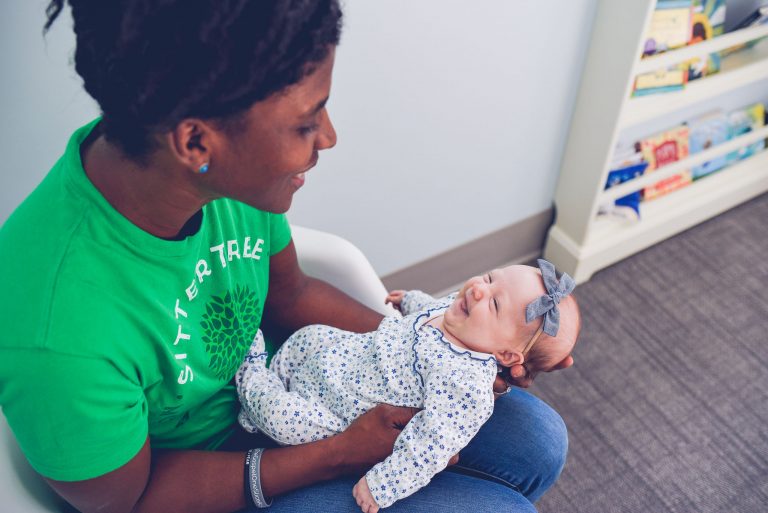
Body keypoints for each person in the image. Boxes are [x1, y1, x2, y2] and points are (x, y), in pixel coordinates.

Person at [0, 2, 574, 512]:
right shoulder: (57, 336)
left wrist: (444, 353)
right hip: (204, 477)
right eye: (306, 122)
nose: (328, 137)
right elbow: (132, 500)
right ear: (197, 143)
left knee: (537, 438)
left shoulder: (210, 172)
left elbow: (290, 295)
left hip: (302, 381)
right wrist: (337, 455)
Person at [236, 260, 580, 512]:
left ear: (506, 354)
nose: (478, 289)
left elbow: (429, 448)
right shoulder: (461, 313)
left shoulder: (467, 385)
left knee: (285, 420)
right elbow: (431, 307)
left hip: (340, 415)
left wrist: (381, 486)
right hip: (344, 357)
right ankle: (275, 378)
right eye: (490, 278)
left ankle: (253, 380)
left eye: (494, 303)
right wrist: (410, 301)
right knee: (309, 337)